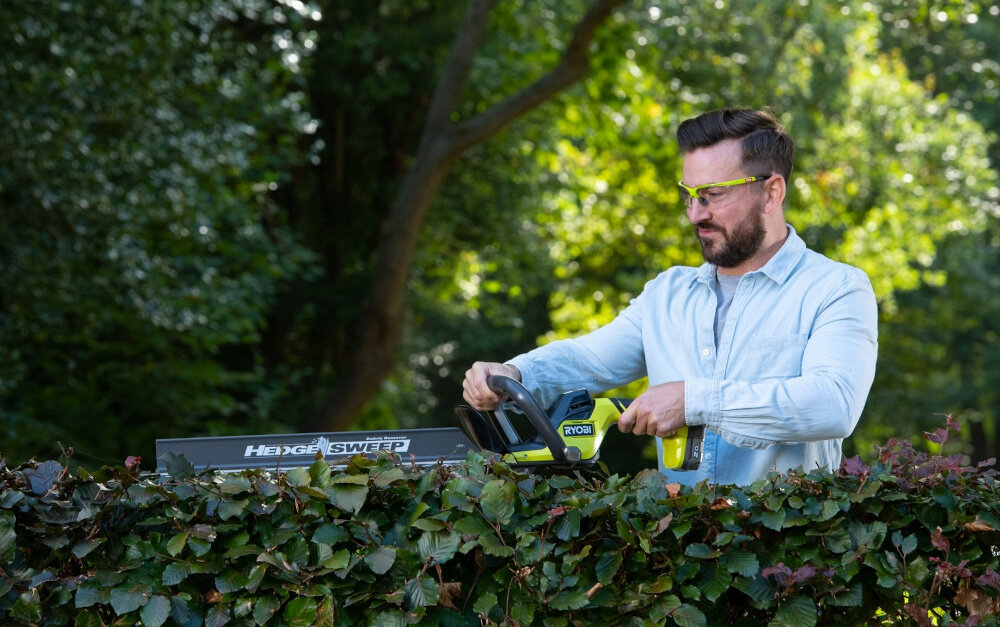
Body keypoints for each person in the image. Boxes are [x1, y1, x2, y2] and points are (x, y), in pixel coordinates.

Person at [461, 108, 878, 486]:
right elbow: (588, 359)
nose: (696, 214)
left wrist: (693, 401)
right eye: (689, 195)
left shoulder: (836, 288)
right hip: (680, 554)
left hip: (789, 557)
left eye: (712, 195)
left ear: (771, 193)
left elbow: (834, 404)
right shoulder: (667, 294)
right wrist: (514, 373)